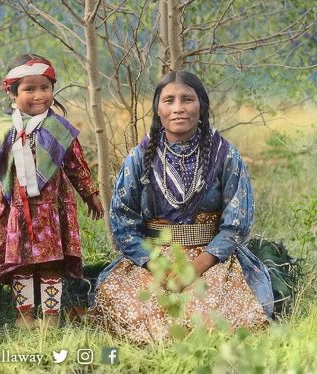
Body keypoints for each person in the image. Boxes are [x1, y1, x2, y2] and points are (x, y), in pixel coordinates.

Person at [90, 71, 274, 344]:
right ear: (157, 108)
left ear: (202, 105)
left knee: (214, 315)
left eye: (187, 99)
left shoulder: (225, 155)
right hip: (154, 260)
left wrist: (197, 266)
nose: (178, 108)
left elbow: (238, 221)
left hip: (212, 259)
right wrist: (158, 267)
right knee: (130, 306)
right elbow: (123, 220)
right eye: (169, 100)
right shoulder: (140, 156)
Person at [0, 53, 104, 327]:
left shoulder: (58, 129)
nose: (39, 95)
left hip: (51, 210)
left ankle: (51, 316)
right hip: (16, 210)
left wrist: (90, 194)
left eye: (45, 87)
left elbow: (77, 165)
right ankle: (25, 314)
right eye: (29, 89)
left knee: (51, 262)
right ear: (13, 93)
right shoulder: (4, 129)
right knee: (22, 264)